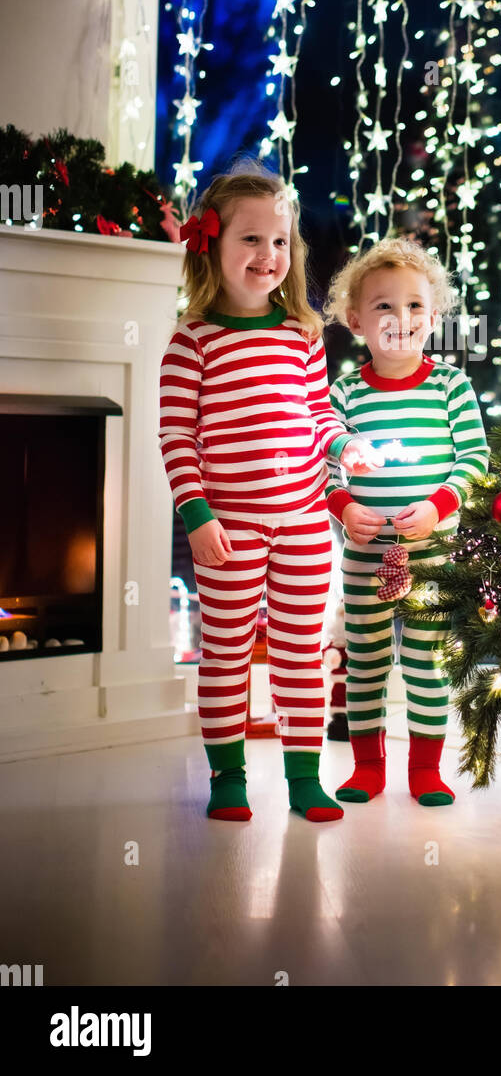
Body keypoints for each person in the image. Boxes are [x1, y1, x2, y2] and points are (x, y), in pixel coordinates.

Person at [158, 159, 380, 823]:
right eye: (250, 239)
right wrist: (197, 518)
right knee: (226, 652)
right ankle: (229, 777)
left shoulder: (302, 337)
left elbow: (319, 418)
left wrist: (347, 448)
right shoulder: (191, 342)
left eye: (279, 241)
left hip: (306, 523)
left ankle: (303, 778)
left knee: (300, 655)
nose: (267, 255)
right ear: (213, 246)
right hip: (229, 527)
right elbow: (177, 441)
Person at [323, 238, 489, 806]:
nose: (401, 319)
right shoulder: (343, 394)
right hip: (367, 554)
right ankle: (367, 767)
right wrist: (345, 508)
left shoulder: (451, 387)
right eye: (384, 307)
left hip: (432, 555)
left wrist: (439, 505)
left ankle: (426, 771)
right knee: (365, 661)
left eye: (416, 306)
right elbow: (326, 467)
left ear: (434, 316)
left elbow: (474, 460)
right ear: (355, 320)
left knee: (426, 664)